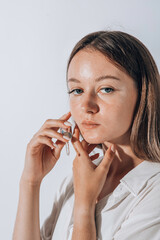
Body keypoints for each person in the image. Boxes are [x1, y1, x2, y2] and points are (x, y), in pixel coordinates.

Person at [13, 30, 160, 240]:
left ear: (143, 93)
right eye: (77, 90)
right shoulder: (77, 178)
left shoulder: (154, 191)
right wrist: (30, 181)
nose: (86, 106)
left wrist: (84, 205)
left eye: (106, 89)